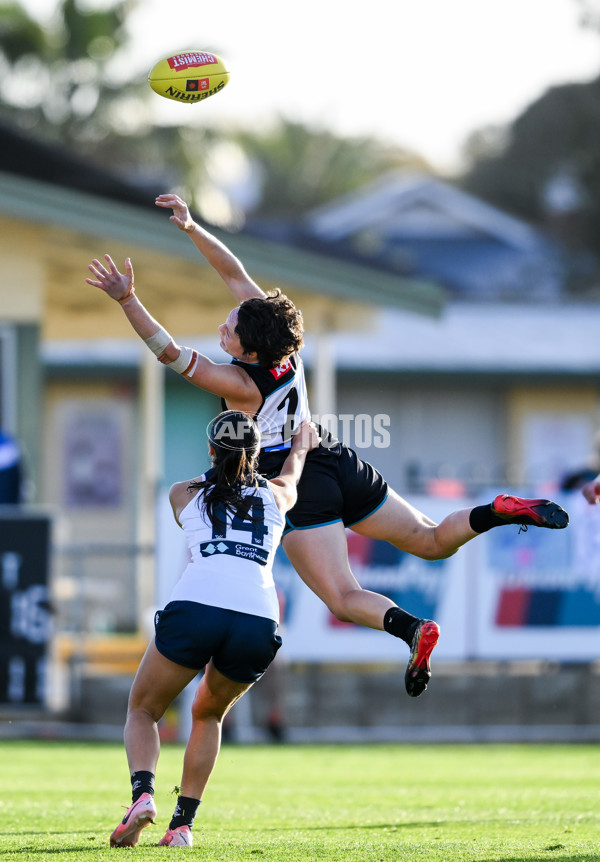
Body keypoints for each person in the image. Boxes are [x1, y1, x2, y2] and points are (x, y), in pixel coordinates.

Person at [86, 193, 570, 700]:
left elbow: (168, 351)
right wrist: (191, 228)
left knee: (343, 597)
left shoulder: (241, 384)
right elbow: (233, 272)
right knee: (430, 540)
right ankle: (496, 511)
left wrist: (127, 300)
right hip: (335, 457)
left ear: (250, 350)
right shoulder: (284, 348)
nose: (221, 329)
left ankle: (412, 630)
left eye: (228, 331)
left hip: (295, 479)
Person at [109, 410, 320, 847]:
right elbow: (294, 469)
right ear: (257, 454)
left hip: (197, 605)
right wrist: (301, 443)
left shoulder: (180, 493)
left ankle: (143, 796)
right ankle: (182, 825)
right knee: (209, 714)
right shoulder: (279, 496)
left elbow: (204, 513)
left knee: (143, 711)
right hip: (258, 617)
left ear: (210, 449)